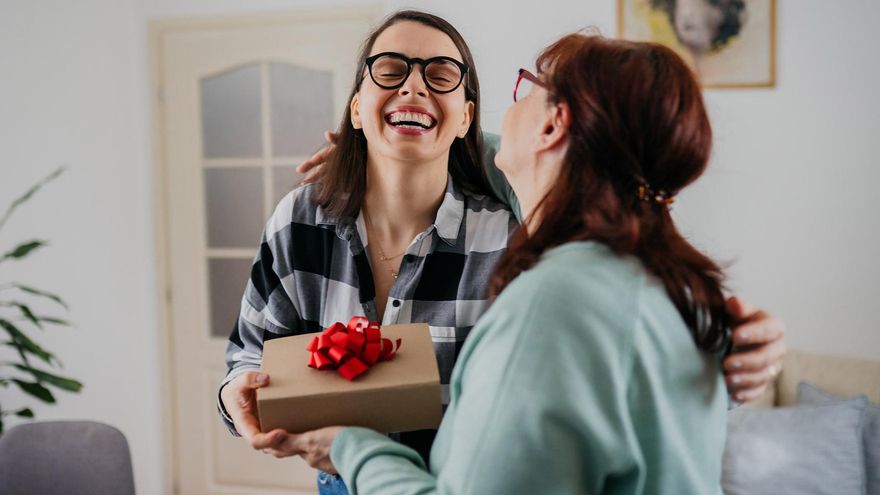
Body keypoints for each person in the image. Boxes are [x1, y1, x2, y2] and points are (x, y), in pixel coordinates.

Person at [218, 10, 785, 495]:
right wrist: (238, 393)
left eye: (441, 77)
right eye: (390, 71)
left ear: (470, 119)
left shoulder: (531, 252)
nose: (413, 87)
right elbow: (250, 353)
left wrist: (726, 355)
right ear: (357, 106)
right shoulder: (299, 219)